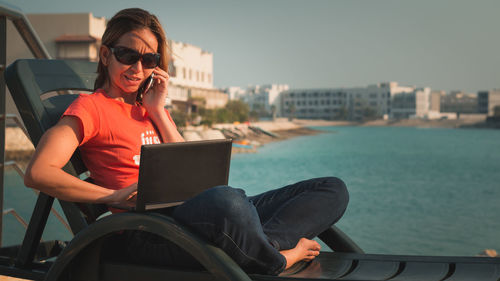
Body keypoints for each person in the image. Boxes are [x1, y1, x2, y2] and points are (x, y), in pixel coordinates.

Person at [24, 8, 349, 276]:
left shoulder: (147, 107)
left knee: (331, 189)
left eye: (149, 60)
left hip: (195, 215)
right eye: (127, 56)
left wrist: (159, 111)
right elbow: (38, 173)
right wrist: (114, 196)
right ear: (106, 55)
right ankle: (277, 259)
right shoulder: (90, 108)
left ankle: (260, 245)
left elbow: (192, 169)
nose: (138, 69)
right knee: (228, 202)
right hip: (149, 231)